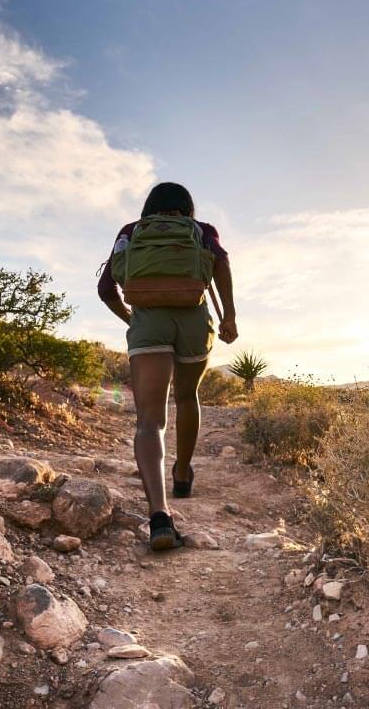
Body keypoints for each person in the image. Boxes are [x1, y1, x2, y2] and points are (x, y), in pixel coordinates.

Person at [98, 183, 238, 551]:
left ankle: (159, 516)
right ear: (187, 208)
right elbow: (221, 263)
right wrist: (230, 318)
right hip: (193, 321)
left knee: (149, 420)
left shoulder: (131, 232)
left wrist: (132, 319)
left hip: (149, 323)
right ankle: (181, 472)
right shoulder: (202, 231)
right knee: (188, 397)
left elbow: (106, 289)